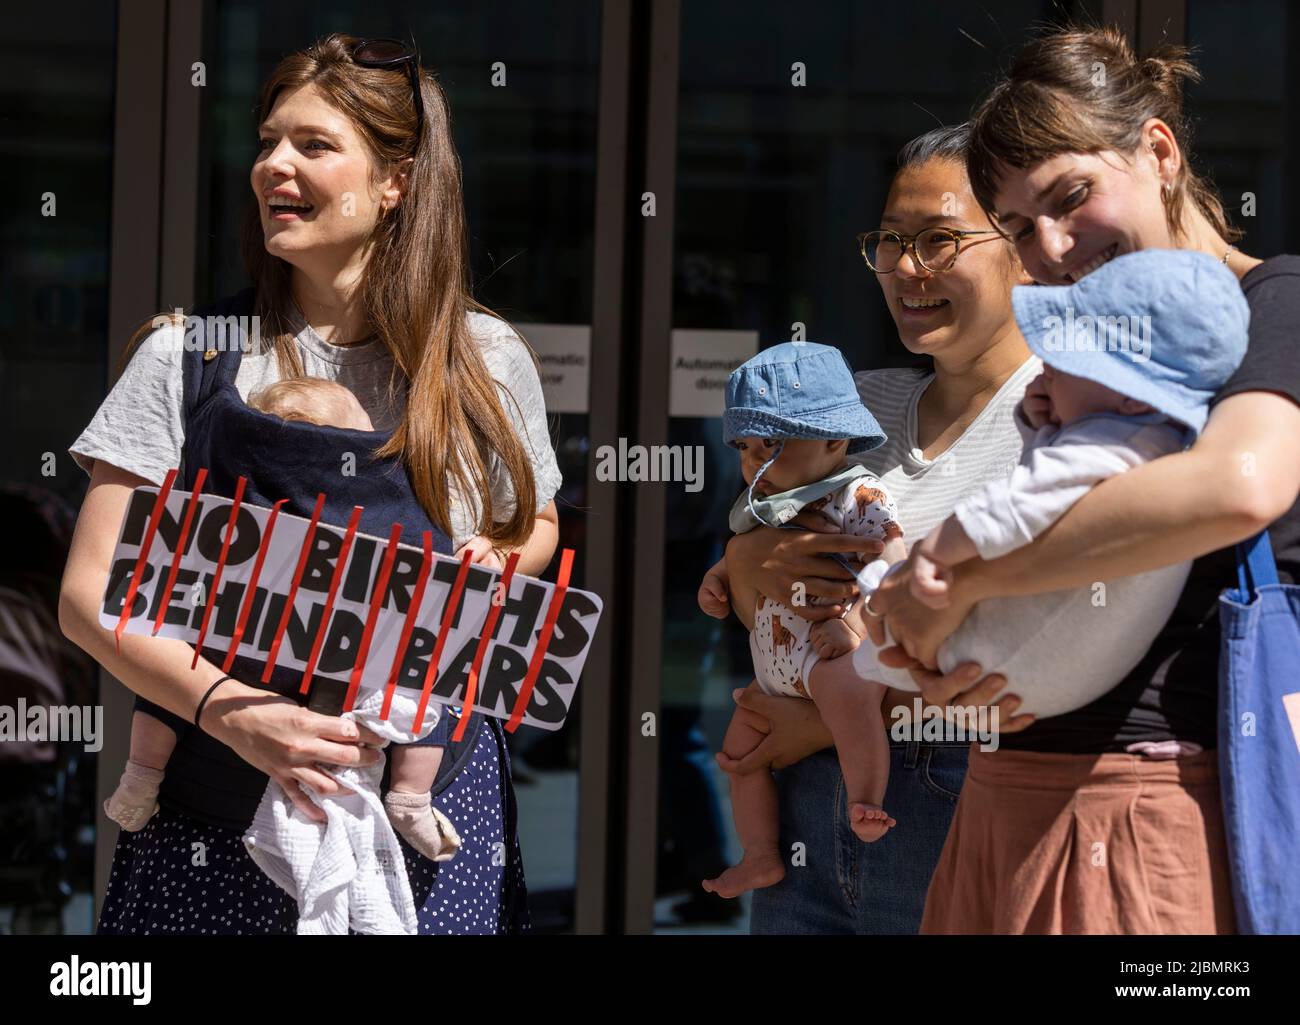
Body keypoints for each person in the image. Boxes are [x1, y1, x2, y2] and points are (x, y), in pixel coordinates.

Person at [59, 33, 563, 935]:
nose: (271, 166)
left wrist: (501, 562)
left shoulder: (486, 359)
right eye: (265, 141)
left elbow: (535, 524)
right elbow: (90, 596)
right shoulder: (187, 354)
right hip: (210, 819)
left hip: (429, 812)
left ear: (397, 182)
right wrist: (236, 713)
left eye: (312, 145)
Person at [867, 25, 1300, 934]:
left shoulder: (1278, 302)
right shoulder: (1079, 357)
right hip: (1004, 798)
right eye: (1019, 228)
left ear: (1159, 150)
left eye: (1073, 197)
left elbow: (1241, 485)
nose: (1055, 247)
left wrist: (959, 580)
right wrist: (942, 652)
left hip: (1149, 818)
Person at [715, 125, 1038, 934]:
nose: (905, 267)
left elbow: (1028, 657)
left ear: (1023, 246)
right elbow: (751, 576)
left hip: (957, 803)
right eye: (891, 240)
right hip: (803, 817)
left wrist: (816, 722)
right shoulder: (853, 404)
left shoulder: (1061, 419)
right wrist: (753, 557)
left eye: (938, 239)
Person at [855, 249, 1248, 722]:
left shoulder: (1103, 441)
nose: (1045, 370)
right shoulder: (1152, 441)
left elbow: (1019, 504)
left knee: (884, 592)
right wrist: (1038, 425)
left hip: (995, 662)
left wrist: (935, 553)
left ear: (1127, 392)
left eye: (1065, 363)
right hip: (1044, 679)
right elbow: (1050, 482)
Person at [102, 376, 463, 865]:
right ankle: (410, 797)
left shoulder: (241, 484)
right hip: (346, 668)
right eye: (361, 429)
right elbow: (430, 562)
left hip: (238, 658)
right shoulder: (380, 496)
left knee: (169, 679)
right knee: (421, 691)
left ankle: (141, 775)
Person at [699, 343, 906, 898]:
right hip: (776, 670)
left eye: (772, 444)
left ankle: (867, 800)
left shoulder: (856, 494)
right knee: (740, 754)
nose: (752, 462)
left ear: (834, 442)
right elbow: (742, 549)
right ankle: (761, 854)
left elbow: (892, 563)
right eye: (744, 446)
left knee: (850, 702)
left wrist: (857, 624)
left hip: (832, 654)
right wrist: (720, 575)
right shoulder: (762, 503)